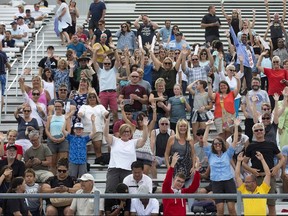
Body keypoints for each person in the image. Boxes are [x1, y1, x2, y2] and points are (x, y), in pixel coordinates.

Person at [242, 122, 285, 216]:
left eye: (261, 129)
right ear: (254, 132)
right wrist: (251, 170)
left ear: (264, 131)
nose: (259, 131)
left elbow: (282, 158)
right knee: (257, 204)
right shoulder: (251, 146)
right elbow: (243, 163)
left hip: (269, 178)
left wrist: (277, 168)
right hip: (255, 179)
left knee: (271, 205)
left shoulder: (271, 144)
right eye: (256, 130)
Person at [203, 119, 240, 216]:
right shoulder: (210, 154)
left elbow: (235, 141)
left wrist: (236, 126)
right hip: (216, 182)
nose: (217, 145)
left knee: (231, 208)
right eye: (215, 144)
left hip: (228, 181)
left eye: (219, 143)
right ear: (213, 146)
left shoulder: (227, 154)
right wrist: (207, 126)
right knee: (220, 209)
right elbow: (204, 140)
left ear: (222, 145)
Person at [103, 115, 148, 193]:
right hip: (114, 169)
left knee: (127, 192)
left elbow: (144, 139)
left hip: (128, 170)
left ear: (131, 133)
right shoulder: (114, 140)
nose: (126, 133)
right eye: (124, 131)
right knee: (110, 191)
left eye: (128, 131)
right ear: (120, 132)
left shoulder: (133, 142)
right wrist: (107, 123)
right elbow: (106, 135)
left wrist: (145, 126)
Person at [78, 91, 109, 165]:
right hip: (86, 130)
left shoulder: (100, 106)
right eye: (90, 97)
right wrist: (80, 114)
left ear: (96, 98)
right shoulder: (84, 106)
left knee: (98, 148)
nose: (92, 98)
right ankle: (83, 163)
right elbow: (80, 113)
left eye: (93, 97)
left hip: (97, 130)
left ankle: (99, 162)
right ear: (87, 99)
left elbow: (105, 113)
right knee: (85, 149)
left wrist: (107, 114)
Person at [236, 151, 271, 216]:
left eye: (247, 182)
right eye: (245, 182)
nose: (245, 184)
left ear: (254, 182)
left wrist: (262, 159)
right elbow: (237, 176)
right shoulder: (244, 189)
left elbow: (268, 174)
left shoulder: (263, 189)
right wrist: (238, 162)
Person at [93, 44, 120, 123]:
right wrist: (95, 52)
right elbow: (94, 61)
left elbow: (118, 61)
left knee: (115, 113)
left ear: (111, 64)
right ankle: (103, 128)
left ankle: (116, 129)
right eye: (105, 63)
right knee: (102, 113)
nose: (107, 65)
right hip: (103, 93)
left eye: (108, 63)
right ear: (103, 64)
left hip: (112, 93)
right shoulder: (100, 71)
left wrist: (115, 50)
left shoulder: (114, 70)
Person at [241, 77, 270, 142]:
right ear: (251, 84)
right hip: (250, 118)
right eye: (254, 83)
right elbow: (243, 104)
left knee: (262, 137)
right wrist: (244, 112)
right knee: (248, 136)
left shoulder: (264, 93)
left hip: (261, 119)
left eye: (257, 83)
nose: (255, 84)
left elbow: (268, 104)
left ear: (259, 84)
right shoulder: (248, 93)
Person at [45, 100, 70, 173]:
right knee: (52, 162)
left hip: (63, 139)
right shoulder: (50, 117)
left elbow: (68, 130)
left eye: (59, 106)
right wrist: (51, 137)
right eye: (56, 106)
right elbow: (47, 129)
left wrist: (63, 138)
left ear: (62, 107)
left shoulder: (66, 117)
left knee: (63, 162)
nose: (57, 108)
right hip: (52, 139)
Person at [0, 42, 11, 110]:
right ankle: (0, 113)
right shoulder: (2, 54)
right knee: (2, 94)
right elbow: (7, 64)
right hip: (2, 74)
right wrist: (10, 69)